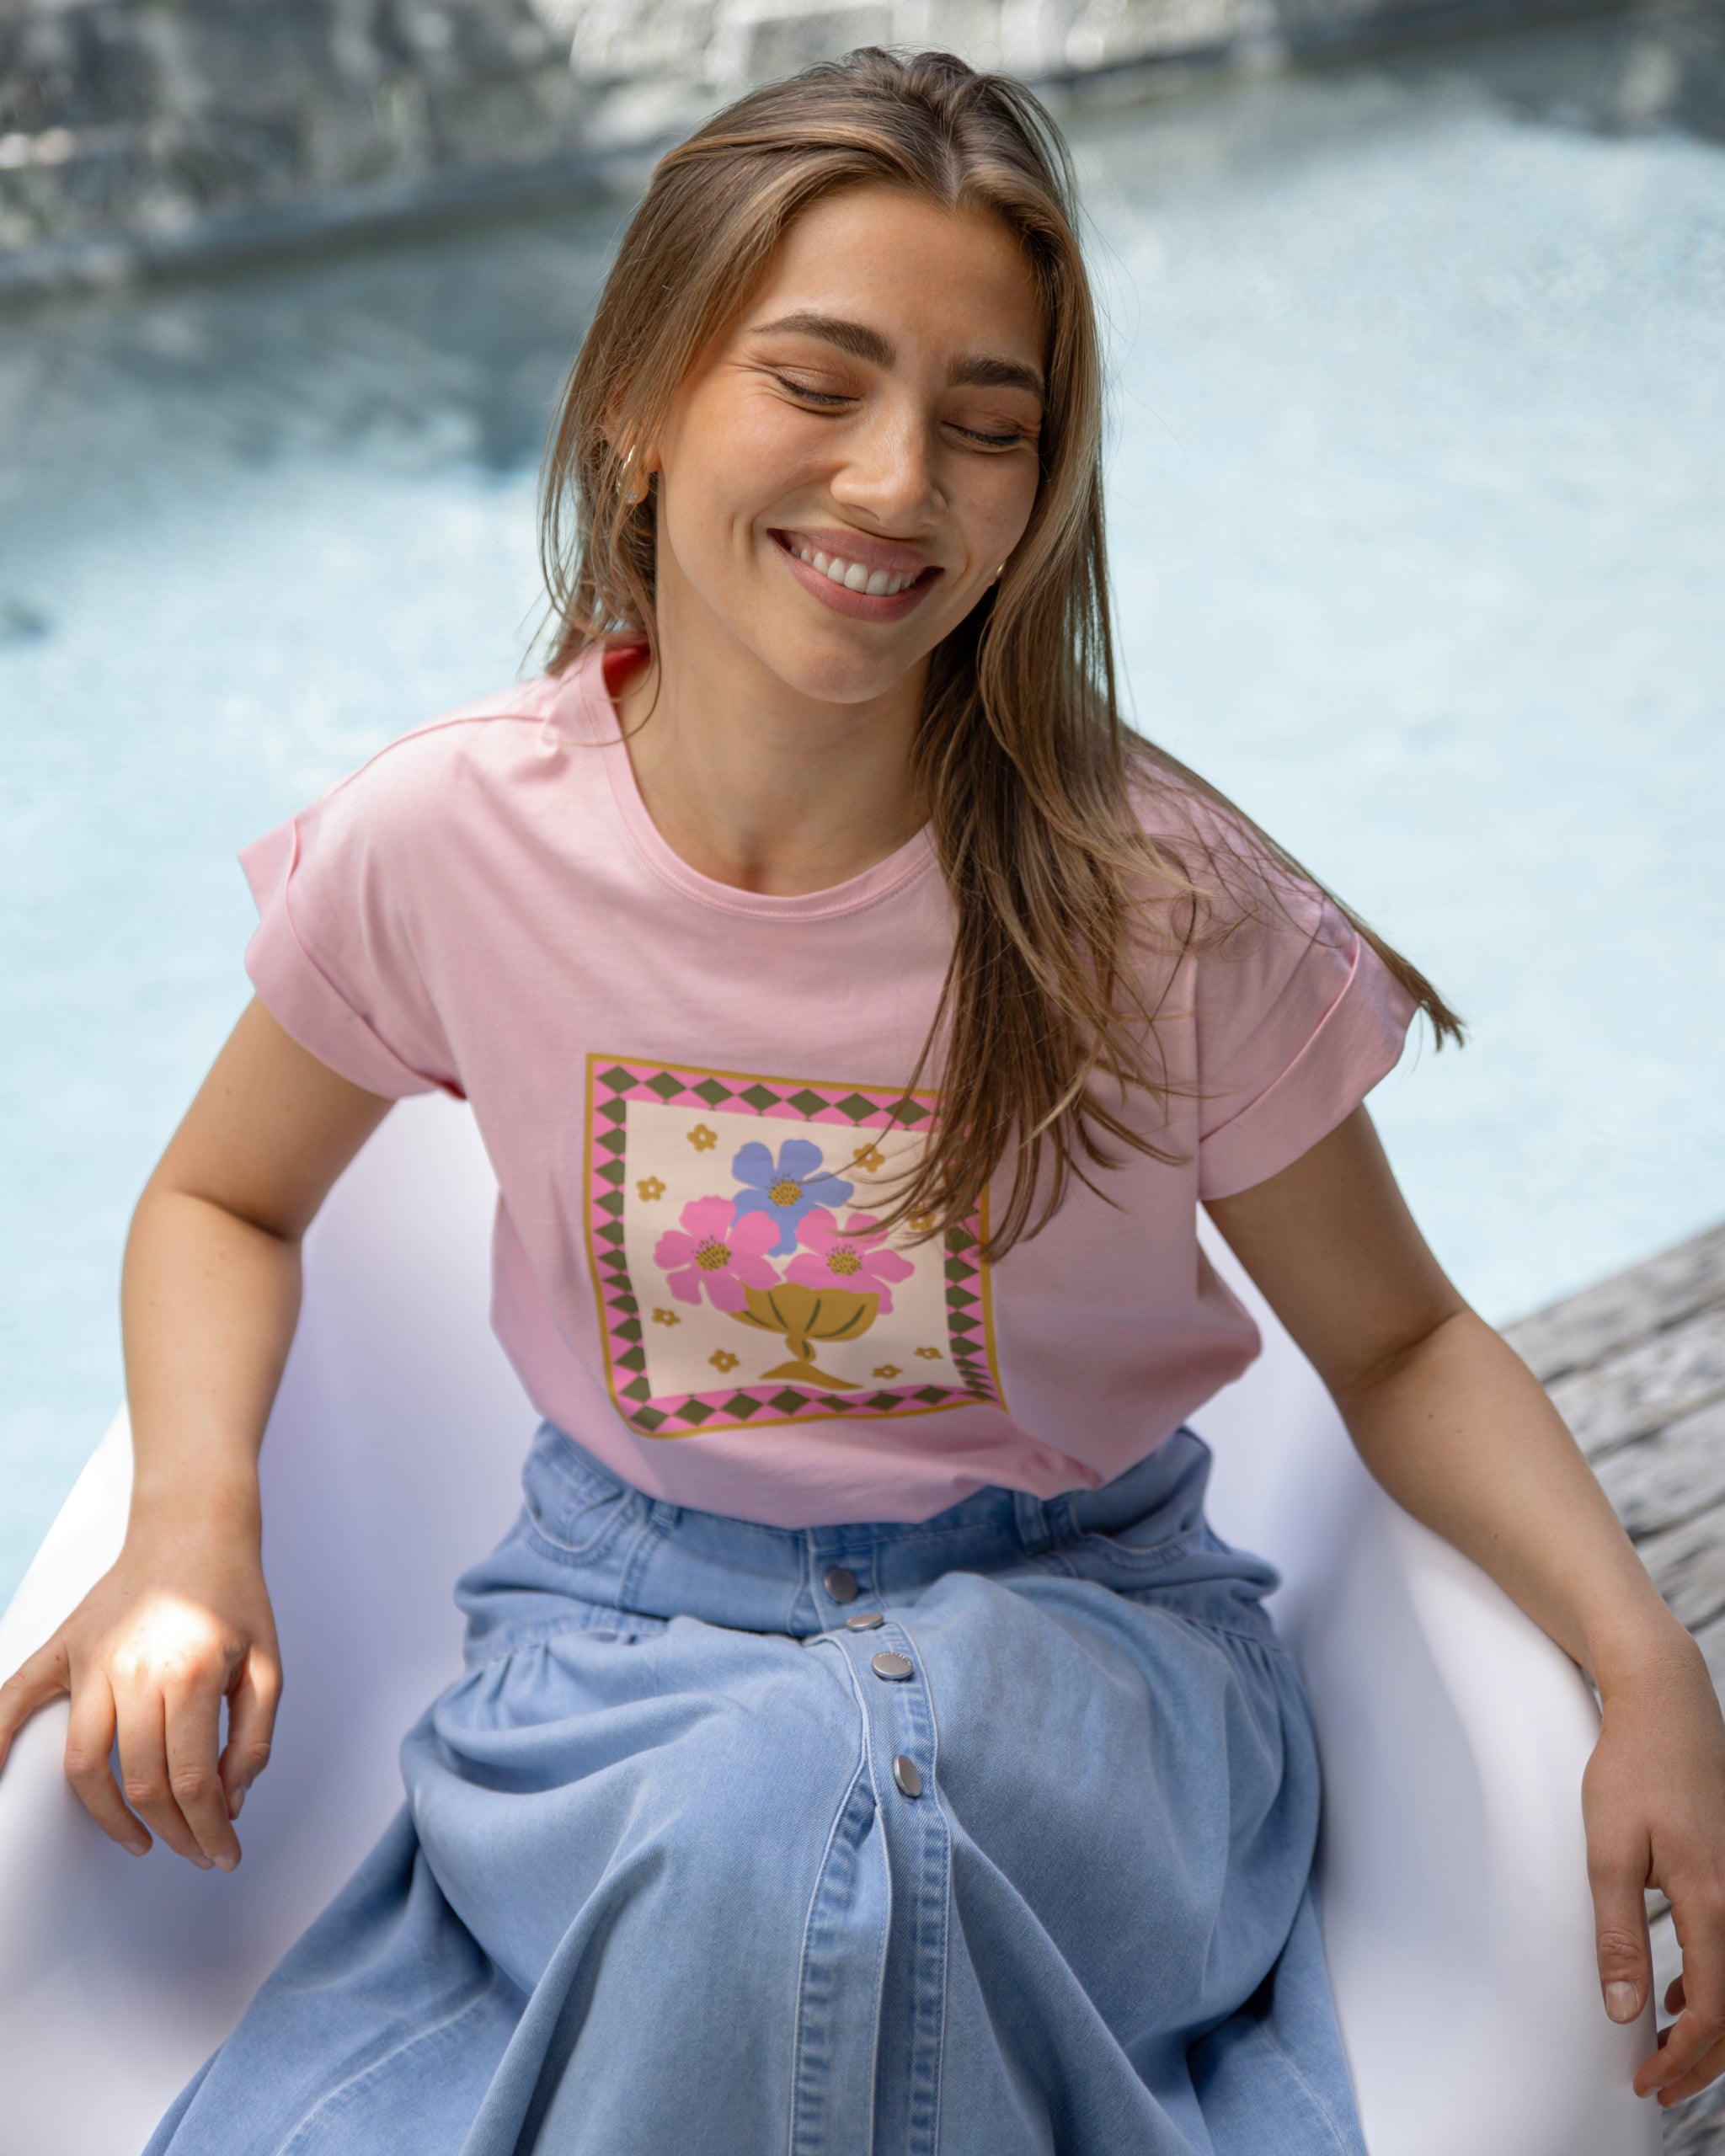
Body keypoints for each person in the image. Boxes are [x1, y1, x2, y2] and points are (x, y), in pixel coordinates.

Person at [2, 44, 1721, 2156]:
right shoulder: (446, 839)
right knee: (760, 1820)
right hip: (622, 1647)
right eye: (817, 384)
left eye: (985, 423)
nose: (899, 480)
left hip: (1089, 1659)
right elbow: (223, 1199)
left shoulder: (1146, 897)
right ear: (642, 401)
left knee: (795, 1825)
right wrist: (192, 1524)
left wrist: (1645, 1665)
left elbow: (1398, 1335)